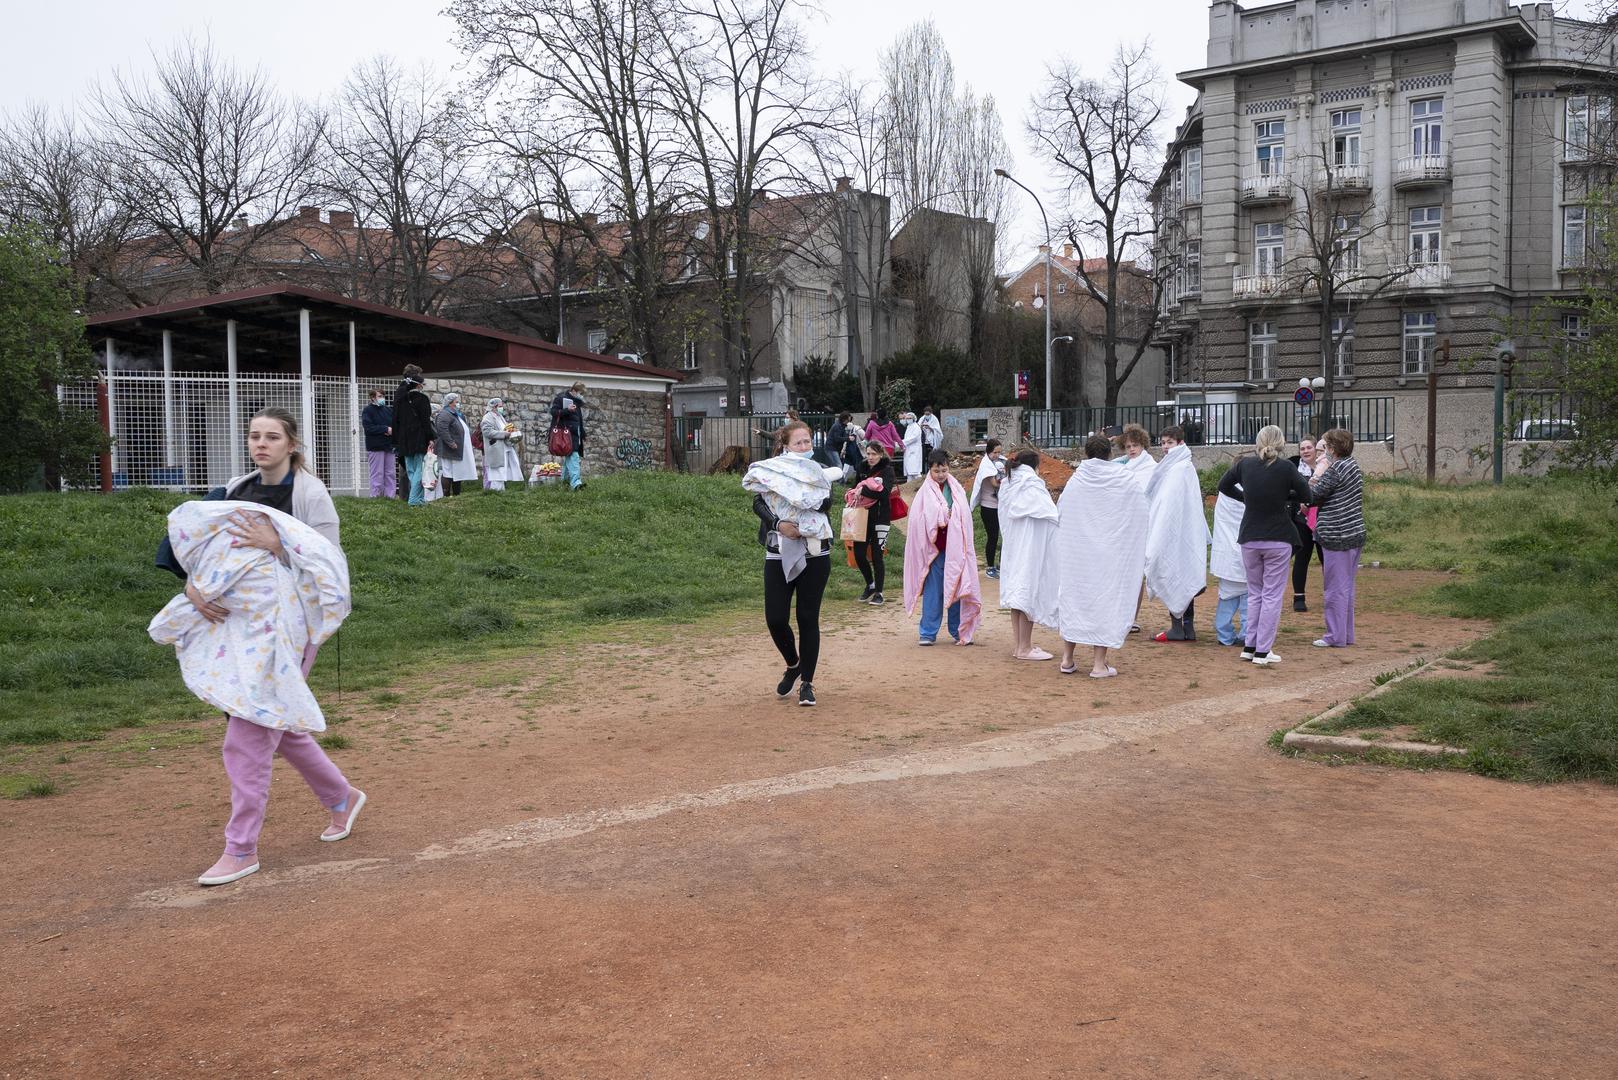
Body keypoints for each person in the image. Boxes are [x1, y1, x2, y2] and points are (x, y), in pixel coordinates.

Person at [159, 408, 365, 887]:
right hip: (238, 630)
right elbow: (195, 549)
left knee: (246, 738)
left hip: (291, 633)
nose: (261, 444)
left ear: (291, 444)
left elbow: (331, 569)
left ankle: (241, 849)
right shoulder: (234, 490)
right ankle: (340, 797)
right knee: (274, 720)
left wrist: (278, 544)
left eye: (272, 437)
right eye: (254, 436)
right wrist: (192, 589)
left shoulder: (311, 495)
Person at [745, 420, 837, 707]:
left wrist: (803, 499)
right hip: (778, 549)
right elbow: (758, 503)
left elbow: (826, 502)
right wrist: (778, 523)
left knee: (808, 618)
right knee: (775, 618)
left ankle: (807, 683)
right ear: (785, 446)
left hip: (814, 553)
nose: (804, 447)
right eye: (798, 443)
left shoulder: (818, 470)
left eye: (807, 442)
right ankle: (794, 663)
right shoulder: (772, 469)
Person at [1217, 424, 1311, 666]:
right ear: (1281, 443)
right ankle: (1263, 650)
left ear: (1259, 441)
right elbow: (1307, 497)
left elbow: (1223, 485)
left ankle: (1250, 646)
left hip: (1249, 537)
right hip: (1278, 538)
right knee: (1271, 595)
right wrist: (1285, 496)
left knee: (1255, 593)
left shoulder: (1245, 465)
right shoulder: (1286, 467)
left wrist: (1246, 498)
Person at [1056, 435, 1149, 677]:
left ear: (1086, 454)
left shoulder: (1076, 480)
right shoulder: (1124, 479)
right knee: (1106, 603)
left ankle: (1067, 658)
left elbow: (1063, 513)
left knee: (1075, 600)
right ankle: (1099, 664)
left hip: (1079, 555)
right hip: (1110, 554)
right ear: (1109, 453)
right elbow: (1141, 511)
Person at [903, 450, 982, 646]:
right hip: (935, 550)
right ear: (930, 469)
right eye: (937, 470)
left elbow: (964, 515)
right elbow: (918, 521)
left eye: (944, 470)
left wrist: (952, 515)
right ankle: (928, 632)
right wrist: (939, 515)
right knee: (934, 589)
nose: (940, 474)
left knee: (956, 586)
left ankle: (958, 630)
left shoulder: (956, 489)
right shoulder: (923, 493)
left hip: (955, 549)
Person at [1145, 425, 1210, 643]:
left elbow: (1169, 505)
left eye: (1169, 443)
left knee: (1177, 572)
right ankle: (1185, 628)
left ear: (1180, 443)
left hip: (1177, 533)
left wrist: (1161, 530)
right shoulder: (1179, 466)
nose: (1165, 447)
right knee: (1179, 572)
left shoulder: (1179, 468)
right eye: (1162, 443)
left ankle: (1180, 628)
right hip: (1180, 532)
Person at [997, 449, 1062, 660]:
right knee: (1028, 594)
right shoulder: (1031, 484)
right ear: (1034, 466)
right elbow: (1052, 515)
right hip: (1030, 547)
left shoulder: (1008, 483)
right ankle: (1024, 647)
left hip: (1014, 546)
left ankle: (1020, 646)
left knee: (1018, 595)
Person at [1310, 428, 1367, 649]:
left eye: (1325, 447)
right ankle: (1345, 634)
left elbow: (1313, 495)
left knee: (1335, 588)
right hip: (1354, 532)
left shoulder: (1336, 469)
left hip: (1337, 534)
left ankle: (1334, 636)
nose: (1323, 452)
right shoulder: (1353, 465)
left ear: (1333, 449)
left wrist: (1314, 476)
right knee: (1347, 587)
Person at [848, 442, 897, 605]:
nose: (870, 457)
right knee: (859, 554)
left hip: (881, 517)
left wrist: (864, 490)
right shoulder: (862, 468)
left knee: (877, 556)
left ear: (881, 454)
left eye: (874, 454)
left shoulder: (887, 470)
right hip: (861, 516)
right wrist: (857, 492)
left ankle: (879, 593)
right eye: (868, 453)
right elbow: (855, 488)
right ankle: (870, 584)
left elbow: (883, 493)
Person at [1289, 436, 1326, 612]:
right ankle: (1299, 598)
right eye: (1302, 449)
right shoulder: (1294, 470)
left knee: (1326, 559)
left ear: (1316, 450)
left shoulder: (1326, 468)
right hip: (1301, 521)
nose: (1305, 451)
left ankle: (1331, 596)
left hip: (1324, 520)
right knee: (1301, 559)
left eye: (1309, 447)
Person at [1210, 481, 1249, 647]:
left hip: (1226, 553)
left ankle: (1224, 635)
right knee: (1250, 597)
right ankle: (1248, 634)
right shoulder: (1253, 490)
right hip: (1248, 550)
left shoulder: (1224, 493)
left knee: (1226, 595)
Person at [392, 364, 434, 506]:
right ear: (418, 385)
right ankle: (414, 500)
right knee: (419, 469)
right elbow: (425, 421)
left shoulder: (399, 399)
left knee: (410, 469)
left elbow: (395, 419)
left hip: (404, 438)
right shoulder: (422, 400)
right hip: (418, 437)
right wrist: (430, 438)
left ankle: (419, 498)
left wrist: (396, 439)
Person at [969, 439, 1006, 579]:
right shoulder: (986, 465)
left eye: (999, 452)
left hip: (1001, 506)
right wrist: (1006, 479)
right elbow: (995, 484)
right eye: (994, 452)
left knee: (1005, 536)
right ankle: (990, 567)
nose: (997, 455)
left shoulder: (1001, 462)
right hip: (988, 506)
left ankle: (1002, 564)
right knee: (993, 537)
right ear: (988, 451)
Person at [431, 393, 477, 497]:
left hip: (457, 449)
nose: (458, 404)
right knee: (447, 472)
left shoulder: (454, 414)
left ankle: (457, 495)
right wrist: (451, 442)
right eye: (456, 402)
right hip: (448, 449)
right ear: (450, 403)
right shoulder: (444, 414)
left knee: (457, 472)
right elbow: (442, 430)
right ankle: (446, 495)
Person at [549, 381, 588, 490]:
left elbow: (579, 420)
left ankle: (564, 482)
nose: (582, 395)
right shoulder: (561, 398)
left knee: (569, 459)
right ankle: (576, 484)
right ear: (574, 391)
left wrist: (583, 433)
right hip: (567, 435)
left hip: (576, 433)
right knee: (574, 457)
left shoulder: (577, 402)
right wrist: (567, 410)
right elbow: (554, 412)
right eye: (580, 393)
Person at [481, 397, 523, 493]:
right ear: (494, 406)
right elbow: (488, 432)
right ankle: (495, 492)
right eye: (500, 406)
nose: (502, 408)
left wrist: (512, 432)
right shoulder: (487, 417)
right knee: (497, 472)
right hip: (496, 448)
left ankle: (501, 491)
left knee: (502, 471)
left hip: (504, 447)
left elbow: (505, 428)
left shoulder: (500, 416)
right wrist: (504, 434)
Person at [361, 388, 396, 499]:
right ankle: (375, 496)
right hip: (375, 446)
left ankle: (390, 496)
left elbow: (395, 425)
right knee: (377, 473)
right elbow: (368, 427)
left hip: (389, 445)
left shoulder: (388, 410)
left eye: (383, 396)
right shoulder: (368, 410)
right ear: (372, 397)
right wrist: (385, 429)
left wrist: (392, 430)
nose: (382, 398)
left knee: (390, 473)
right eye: (379, 396)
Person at [900, 411, 924, 481]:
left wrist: (902, 442)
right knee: (909, 472)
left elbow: (913, 438)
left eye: (910, 418)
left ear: (913, 418)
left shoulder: (916, 427)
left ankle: (919, 484)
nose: (908, 419)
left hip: (914, 451)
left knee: (915, 471)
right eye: (907, 418)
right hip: (908, 450)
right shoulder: (909, 427)